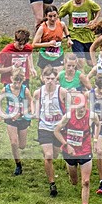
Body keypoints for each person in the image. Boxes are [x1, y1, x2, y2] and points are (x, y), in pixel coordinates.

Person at [54, 92, 100, 204]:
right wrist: (66, 145)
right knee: (74, 181)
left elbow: (98, 124)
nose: (81, 111)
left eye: (83, 108)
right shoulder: (68, 116)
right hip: (70, 152)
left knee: (85, 182)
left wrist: (96, 140)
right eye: (79, 108)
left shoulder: (91, 115)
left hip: (85, 151)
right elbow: (56, 131)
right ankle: (72, 175)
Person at [31, 66, 68, 197]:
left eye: (52, 78)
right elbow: (34, 106)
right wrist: (34, 114)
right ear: (42, 78)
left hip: (59, 128)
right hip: (44, 127)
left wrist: (65, 121)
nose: (50, 81)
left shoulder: (62, 92)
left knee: (55, 154)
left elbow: (69, 110)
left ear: (56, 79)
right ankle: (52, 183)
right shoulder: (38, 93)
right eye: (47, 78)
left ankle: (50, 170)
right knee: (48, 155)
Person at [59, 0, 101, 68]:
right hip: (75, 35)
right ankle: (81, 78)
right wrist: (62, 31)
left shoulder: (90, 3)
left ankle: (94, 75)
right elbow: (58, 17)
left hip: (88, 35)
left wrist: (94, 20)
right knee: (80, 60)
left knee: (90, 62)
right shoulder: (68, 5)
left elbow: (98, 10)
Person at [0, 67, 32, 176]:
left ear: (23, 81)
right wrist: (4, 114)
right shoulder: (6, 89)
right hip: (11, 118)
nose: (17, 84)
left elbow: (31, 106)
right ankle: (18, 164)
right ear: (10, 79)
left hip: (23, 118)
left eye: (19, 81)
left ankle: (17, 149)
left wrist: (21, 113)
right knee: (13, 142)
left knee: (22, 145)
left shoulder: (25, 90)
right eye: (15, 81)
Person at [31, 4, 65, 72]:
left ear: (57, 15)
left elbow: (65, 30)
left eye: (55, 16)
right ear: (46, 16)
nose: (53, 18)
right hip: (45, 55)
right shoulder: (42, 28)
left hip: (58, 54)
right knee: (45, 78)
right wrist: (48, 44)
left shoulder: (61, 24)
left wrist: (68, 38)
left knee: (58, 76)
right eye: (50, 16)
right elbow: (34, 45)